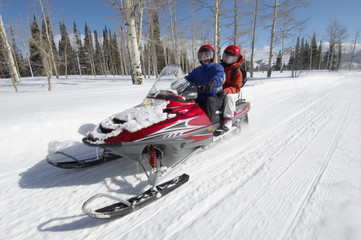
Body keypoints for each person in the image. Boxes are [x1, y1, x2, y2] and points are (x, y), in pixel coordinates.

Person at [185, 45, 225, 123]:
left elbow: (220, 77)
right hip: (198, 96)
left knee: (209, 101)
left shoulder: (217, 67)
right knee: (188, 103)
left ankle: (211, 127)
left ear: (212, 56)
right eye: (202, 56)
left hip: (214, 96)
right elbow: (188, 79)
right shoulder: (196, 71)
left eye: (208, 55)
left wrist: (212, 83)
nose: (205, 58)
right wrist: (180, 82)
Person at [218, 45, 244, 131]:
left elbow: (236, 87)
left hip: (233, 92)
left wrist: (226, 91)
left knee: (229, 97)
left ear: (235, 59)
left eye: (230, 58)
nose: (227, 59)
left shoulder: (236, 71)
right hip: (220, 89)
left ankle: (228, 120)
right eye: (226, 57)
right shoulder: (219, 67)